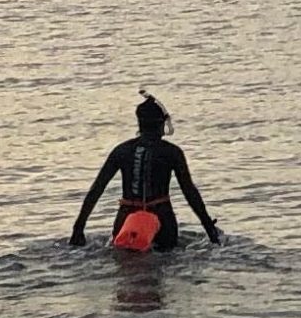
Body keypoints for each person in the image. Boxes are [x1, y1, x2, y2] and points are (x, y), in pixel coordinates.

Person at [70, 92, 222, 250]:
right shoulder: (171, 152)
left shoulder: (122, 150)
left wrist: (78, 228)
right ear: (162, 124)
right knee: (167, 262)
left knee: (126, 264)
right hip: (162, 219)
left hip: (127, 218)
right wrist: (210, 229)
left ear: (139, 123)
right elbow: (189, 192)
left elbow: (97, 189)